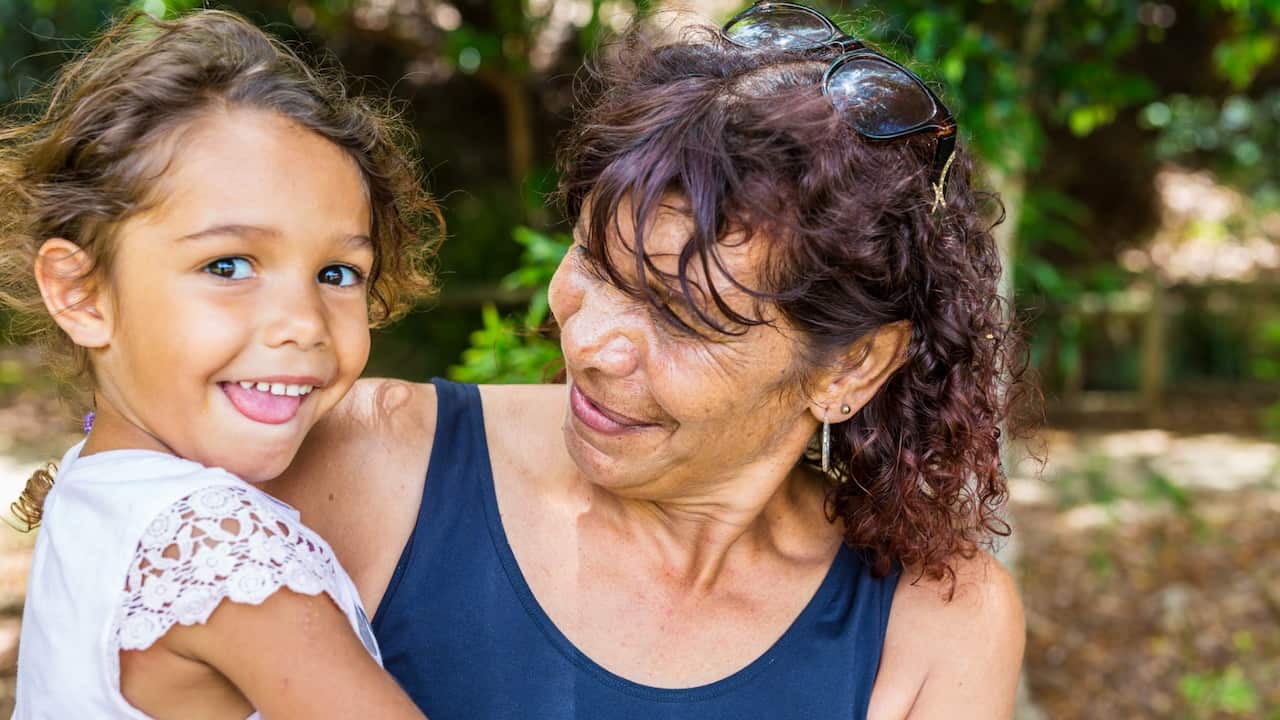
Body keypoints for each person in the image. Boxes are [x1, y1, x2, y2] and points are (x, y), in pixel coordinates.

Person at [268, 3, 1029, 718]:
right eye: (596, 264)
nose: (592, 346)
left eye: (683, 316)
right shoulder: (365, 461)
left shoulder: (938, 627)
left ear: (851, 367)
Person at [0, 10, 437, 719]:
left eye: (337, 272)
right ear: (83, 294)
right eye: (228, 265)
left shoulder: (93, 484)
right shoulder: (220, 552)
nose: (301, 323)